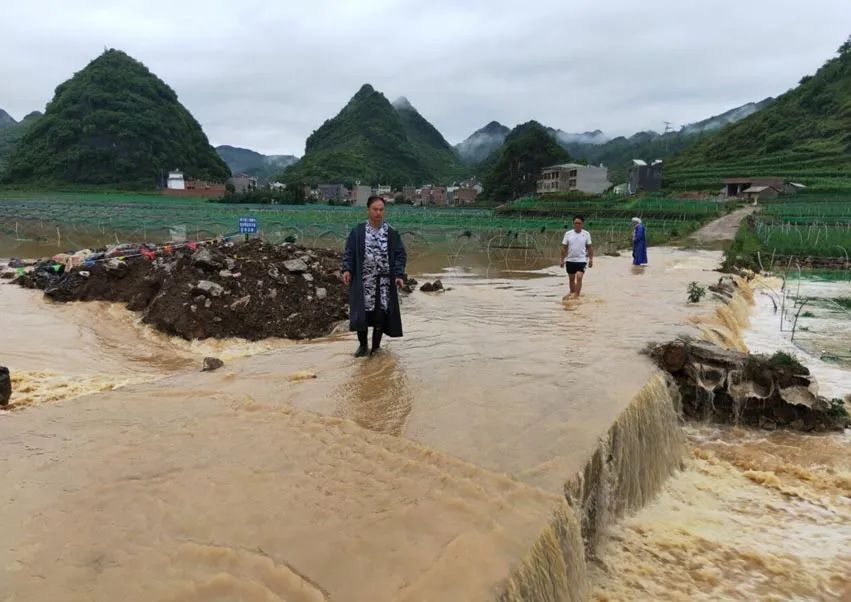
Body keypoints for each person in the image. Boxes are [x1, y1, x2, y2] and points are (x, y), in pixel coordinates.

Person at [342, 196, 407, 357]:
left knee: (380, 315)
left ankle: (375, 348)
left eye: (381, 209)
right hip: (364, 280)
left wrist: (399, 274)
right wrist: (347, 269)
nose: (378, 213)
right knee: (361, 314)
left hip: (383, 282)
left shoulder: (391, 232)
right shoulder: (358, 231)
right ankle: (363, 346)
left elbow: (400, 254)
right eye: (375, 209)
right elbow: (349, 252)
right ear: (368, 210)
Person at [560, 215, 593, 297]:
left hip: (582, 260)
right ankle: (572, 293)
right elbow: (563, 248)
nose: (577, 225)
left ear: (582, 224)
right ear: (573, 224)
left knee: (579, 277)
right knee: (571, 279)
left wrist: (591, 259)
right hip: (570, 260)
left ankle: (576, 296)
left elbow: (589, 248)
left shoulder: (586, 234)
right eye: (575, 223)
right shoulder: (568, 234)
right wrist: (562, 260)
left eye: (579, 223)